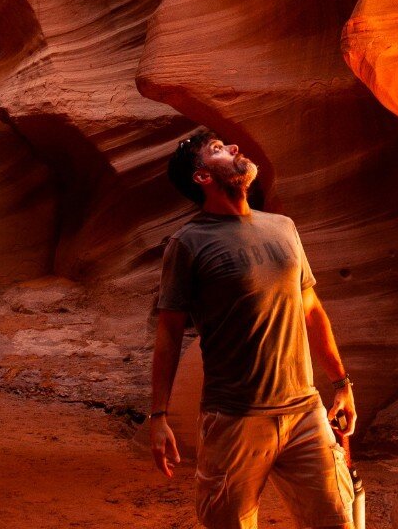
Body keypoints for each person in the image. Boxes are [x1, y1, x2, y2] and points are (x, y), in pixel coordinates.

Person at [148, 130, 356, 529]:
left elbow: (311, 309)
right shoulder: (188, 244)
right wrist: (159, 415)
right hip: (233, 421)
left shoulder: (283, 227)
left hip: (304, 413)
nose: (234, 148)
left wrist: (342, 383)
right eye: (218, 150)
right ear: (202, 177)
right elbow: (169, 334)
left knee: (338, 522)